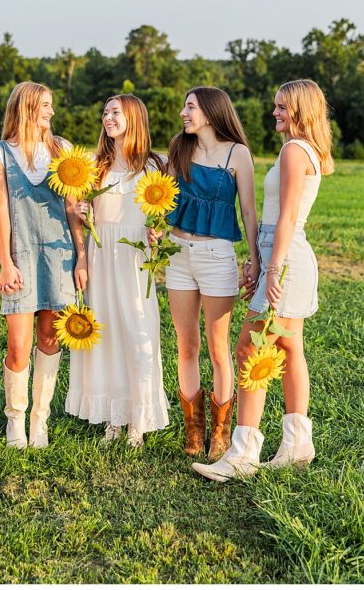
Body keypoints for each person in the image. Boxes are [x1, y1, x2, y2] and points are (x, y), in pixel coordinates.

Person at [193, 79, 334, 482]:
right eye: (275, 106)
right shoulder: (304, 149)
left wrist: (271, 268)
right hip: (285, 253)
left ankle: (242, 453)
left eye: (282, 107)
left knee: (250, 349)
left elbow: (286, 217)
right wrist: (258, 259)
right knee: (289, 348)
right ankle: (296, 444)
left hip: (286, 258)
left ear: (301, 111)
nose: (275, 112)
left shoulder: (293, 150)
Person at [65, 95, 170, 447]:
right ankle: (113, 416)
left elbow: (163, 216)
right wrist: (81, 246)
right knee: (105, 333)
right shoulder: (95, 166)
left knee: (138, 332)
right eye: (105, 112)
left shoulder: (154, 165)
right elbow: (79, 217)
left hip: (134, 258)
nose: (108, 117)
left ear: (134, 117)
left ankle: (138, 419)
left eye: (115, 112)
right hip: (100, 254)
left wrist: (159, 233)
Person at [0, 82, 87, 449]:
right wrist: (6, 263)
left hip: (59, 255)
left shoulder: (63, 150)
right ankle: (15, 419)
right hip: (21, 256)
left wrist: (81, 256)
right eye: (45, 105)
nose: (51, 112)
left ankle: (39, 420)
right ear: (27, 107)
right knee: (18, 344)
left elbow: (74, 210)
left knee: (49, 337)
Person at [163, 86, 258, 460]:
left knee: (219, 349)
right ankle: (193, 429)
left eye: (190, 107)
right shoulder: (180, 147)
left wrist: (253, 259)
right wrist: (157, 225)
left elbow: (248, 212)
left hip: (217, 256)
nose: (184, 113)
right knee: (187, 346)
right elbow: (166, 196)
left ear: (211, 112)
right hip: (178, 255)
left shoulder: (238, 154)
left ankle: (220, 432)